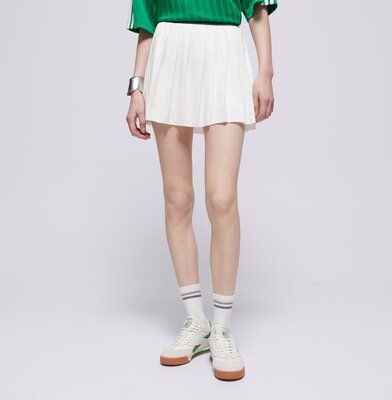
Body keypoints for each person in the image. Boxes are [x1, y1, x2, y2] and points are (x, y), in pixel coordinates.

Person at [125, 0, 278, 381]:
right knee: (178, 199)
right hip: (170, 56)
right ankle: (196, 321)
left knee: (221, 199)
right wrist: (137, 87)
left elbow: (257, 10)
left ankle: (222, 328)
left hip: (224, 53)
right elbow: (147, 21)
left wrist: (265, 72)